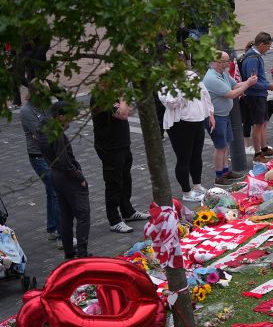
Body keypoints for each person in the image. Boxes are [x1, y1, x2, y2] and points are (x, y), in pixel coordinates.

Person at [37, 101, 90, 259]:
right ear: (60, 116)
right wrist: (80, 178)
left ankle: (69, 253)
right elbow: (64, 161)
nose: (71, 120)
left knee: (66, 216)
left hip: (56, 176)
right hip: (68, 178)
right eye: (68, 117)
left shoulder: (43, 131)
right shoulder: (57, 134)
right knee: (83, 215)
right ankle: (82, 254)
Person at [91, 96, 148, 233]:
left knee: (125, 179)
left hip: (122, 144)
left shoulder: (115, 96)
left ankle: (128, 211)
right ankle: (114, 220)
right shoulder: (101, 98)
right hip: (110, 147)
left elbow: (130, 111)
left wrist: (124, 102)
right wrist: (123, 98)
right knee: (113, 183)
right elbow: (122, 114)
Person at [202, 51, 258, 185]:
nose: (229, 63)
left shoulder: (223, 73)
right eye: (226, 61)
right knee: (220, 147)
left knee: (225, 145)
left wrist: (248, 81)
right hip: (215, 117)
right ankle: (219, 176)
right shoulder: (211, 78)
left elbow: (236, 85)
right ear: (217, 62)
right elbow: (232, 94)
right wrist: (248, 84)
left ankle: (226, 171)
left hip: (224, 115)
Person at [159, 68, 215, 201]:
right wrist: (182, 87)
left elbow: (204, 95)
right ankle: (187, 192)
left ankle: (197, 185)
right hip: (180, 124)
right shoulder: (164, 80)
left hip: (198, 120)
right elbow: (170, 102)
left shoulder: (191, 74)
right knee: (184, 158)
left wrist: (210, 113)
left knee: (196, 156)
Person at [20, 93, 61, 247]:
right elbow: (40, 132)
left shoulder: (44, 105)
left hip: (49, 152)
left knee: (52, 191)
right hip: (38, 156)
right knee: (55, 189)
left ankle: (52, 228)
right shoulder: (26, 111)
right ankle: (59, 232)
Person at [239, 32, 273, 162]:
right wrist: (268, 86)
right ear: (261, 44)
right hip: (254, 96)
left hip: (259, 95)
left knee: (262, 123)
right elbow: (252, 81)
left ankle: (264, 149)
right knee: (257, 125)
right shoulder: (252, 59)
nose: (268, 49)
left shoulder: (255, 56)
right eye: (268, 46)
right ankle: (257, 155)